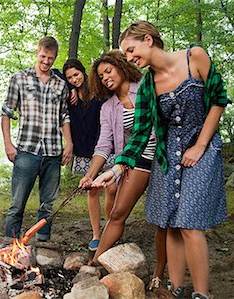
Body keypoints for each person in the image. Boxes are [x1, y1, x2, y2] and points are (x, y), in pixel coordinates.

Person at [92, 21, 229, 299]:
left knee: (189, 223)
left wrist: (200, 145)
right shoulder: (146, 88)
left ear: (148, 39)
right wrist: (117, 169)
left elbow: (218, 99)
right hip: (166, 157)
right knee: (171, 224)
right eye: (126, 54)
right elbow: (141, 134)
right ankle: (176, 289)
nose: (129, 58)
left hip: (200, 150)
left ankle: (202, 294)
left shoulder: (195, 57)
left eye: (131, 50)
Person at [81, 50, 167, 290]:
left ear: (120, 66)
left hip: (163, 158)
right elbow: (104, 145)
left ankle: (159, 273)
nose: (105, 77)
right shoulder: (108, 107)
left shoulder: (145, 87)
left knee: (164, 221)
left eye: (108, 71)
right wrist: (90, 174)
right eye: (100, 76)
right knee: (118, 213)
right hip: (134, 160)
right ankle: (98, 262)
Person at [1, 36, 73, 242]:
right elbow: (6, 111)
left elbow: (64, 116)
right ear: (36, 52)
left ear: (55, 57)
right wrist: (8, 144)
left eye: (51, 58)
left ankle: (43, 243)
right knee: (17, 203)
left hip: (53, 152)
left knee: (48, 204)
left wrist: (69, 143)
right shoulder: (20, 79)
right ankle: (10, 245)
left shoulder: (61, 85)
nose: (46, 61)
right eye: (43, 56)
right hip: (26, 151)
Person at [62, 58, 115, 252]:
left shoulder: (100, 90)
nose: (74, 79)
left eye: (76, 74)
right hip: (85, 150)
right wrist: (71, 88)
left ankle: (112, 228)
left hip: (107, 146)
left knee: (111, 187)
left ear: (84, 72)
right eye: (70, 78)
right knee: (92, 190)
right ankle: (96, 235)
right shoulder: (70, 95)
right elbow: (55, 74)